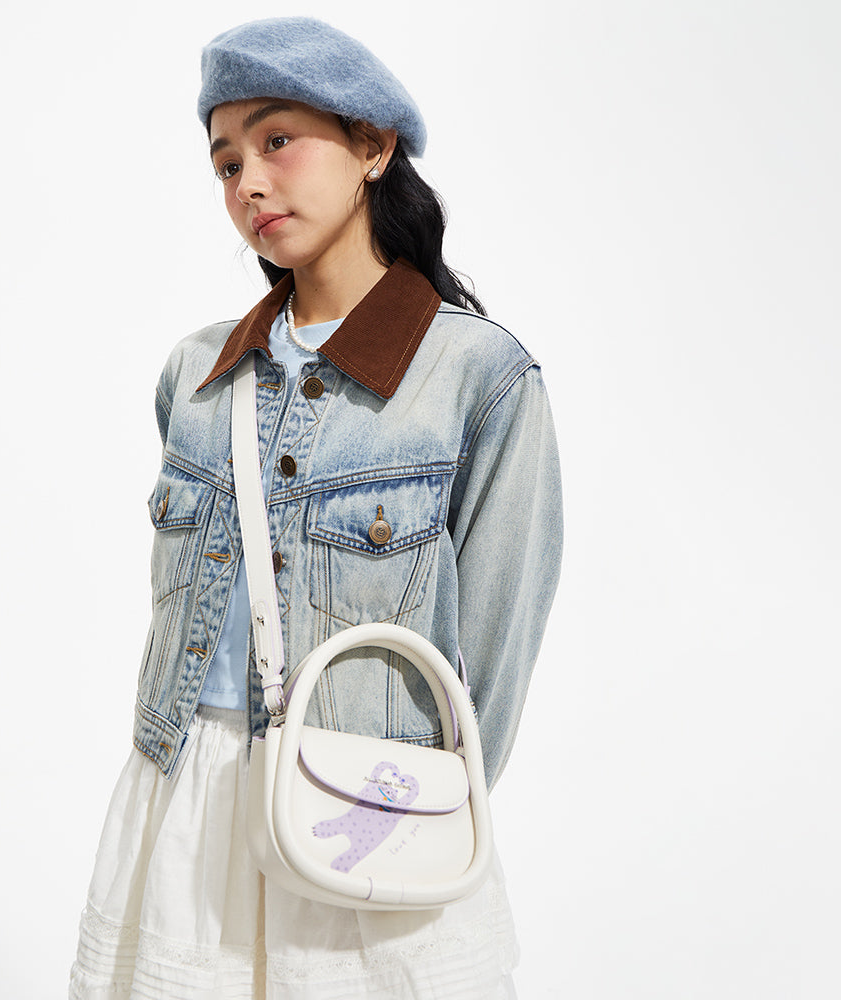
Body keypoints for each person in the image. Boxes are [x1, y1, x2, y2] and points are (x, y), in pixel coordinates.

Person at [70, 16, 562, 1000]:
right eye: (223, 163)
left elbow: (494, 665)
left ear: (374, 145)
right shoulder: (198, 374)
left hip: (363, 809)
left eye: (276, 139)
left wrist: (412, 808)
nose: (247, 182)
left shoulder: (479, 376)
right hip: (180, 814)